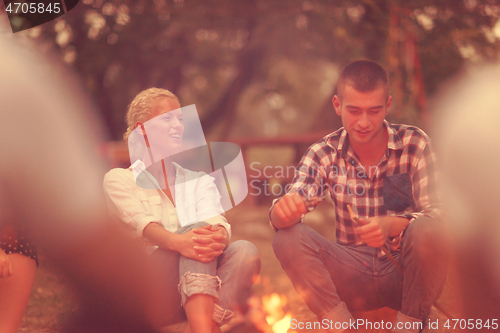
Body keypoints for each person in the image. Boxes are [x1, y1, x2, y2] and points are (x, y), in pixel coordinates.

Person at [270, 60, 448, 333]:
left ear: (388, 106)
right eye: (353, 111)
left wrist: (393, 225)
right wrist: (283, 212)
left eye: (374, 111)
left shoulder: (415, 144)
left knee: (427, 230)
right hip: (351, 272)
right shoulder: (323, 152)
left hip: (402, 273)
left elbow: (441, 216)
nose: (364, 122)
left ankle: (410, 324)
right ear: (337, 105)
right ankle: (341, 326)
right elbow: (292, 202)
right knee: (287, 236)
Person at [103, 88, 260, 333]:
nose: (177, 125)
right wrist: (181, 242)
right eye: (167, 118)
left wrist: (219, 234)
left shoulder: (199, 180)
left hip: (200, 294)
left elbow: (216, 223)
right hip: (150, 296)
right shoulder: (118, 180)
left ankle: (201, 326)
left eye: (180, 119)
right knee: (196, 233)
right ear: (141, 129)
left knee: (245, 250)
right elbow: (143, 226)